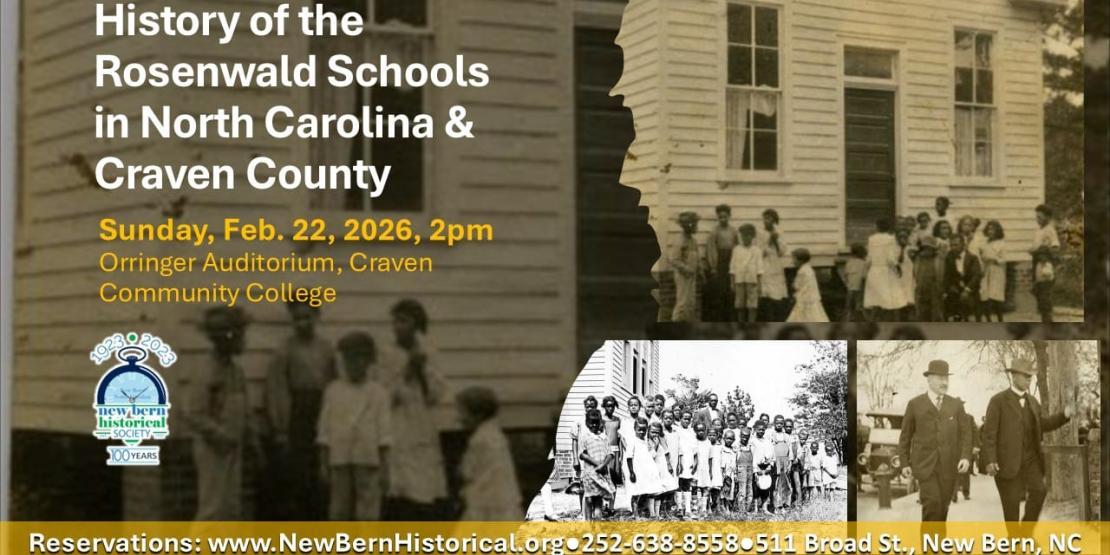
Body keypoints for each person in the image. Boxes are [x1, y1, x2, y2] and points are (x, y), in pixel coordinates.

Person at [261, 301, 337, 519]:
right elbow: (277, 390)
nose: (302, 323)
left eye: (307, 317)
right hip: (297, 415)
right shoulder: (285, 350)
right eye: (297, 318)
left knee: (321, 472)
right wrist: (281, 427)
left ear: (317, 316)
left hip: (322, 411)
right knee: (298, 473)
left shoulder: (326, 349)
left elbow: (334, 385)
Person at [981, 359, 1072, 528]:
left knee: (1040, 491)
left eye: (1031, 376)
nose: (1029, 379)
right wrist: (990, 460)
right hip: (1006, 464)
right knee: (1011, 511)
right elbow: (989, 434)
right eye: (1025, 375)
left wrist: (1064, 416)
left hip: (1031, 462)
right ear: (1014, 376)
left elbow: (1042, 425)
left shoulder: (1033, 402)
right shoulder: (998, 401)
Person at [186, 306, 255, 521]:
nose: (243, 340)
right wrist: (221, 437)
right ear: (226, 338)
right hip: (213, 450)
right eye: (239, 335)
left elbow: (244, 409)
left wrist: (251, 437)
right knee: (213, 508)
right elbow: (194, 414)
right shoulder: (206, 371)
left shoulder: (235, 371)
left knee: (230, 508)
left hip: (234, 447)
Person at [383, 299, 450, 519]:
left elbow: (437, 394)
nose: (397, 327)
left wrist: (421, 371)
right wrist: (407, 371)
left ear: (417, 324)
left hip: (422, 420)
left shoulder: (429, 352)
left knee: (424, 481)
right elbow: (385, 394)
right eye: (395, 321)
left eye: (403, 321)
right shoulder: (387, 353)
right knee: (400, 481)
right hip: (397, 420)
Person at [317, 331, 392, 521]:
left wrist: (385, 467)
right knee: (339, 509)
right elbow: (324, 430)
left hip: (368, 458)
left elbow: (384, 434)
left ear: (369, 361)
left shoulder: (378, 393)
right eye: (348, 359)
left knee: (367, 509)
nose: (353, 365)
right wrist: (324, 462)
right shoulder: (334, 390)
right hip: (340, 458)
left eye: (359, 359)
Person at [897, 360, 972, 523]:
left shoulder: (956, 405)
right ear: (929, 379)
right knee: (932, 505)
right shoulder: (915, 404)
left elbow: (966, 433)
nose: (944, 382)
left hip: (949, 467)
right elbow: (905, 437)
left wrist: (965, 457)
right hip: (925, 467)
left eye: (946, 378)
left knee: (942, 510)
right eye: (940, 378)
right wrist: (904, 463)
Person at [457, 386, 522, 520]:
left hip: (484, 499)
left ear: (478, 415)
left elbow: (468, 470)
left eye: (463, 412)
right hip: (504, 496)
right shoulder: (496, 435)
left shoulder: (479, 440)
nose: (459, 417)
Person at [864, 218, 907, 321]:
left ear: (877, 227)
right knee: (895, 300)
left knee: (877, 301)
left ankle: (872, 323)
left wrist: (867, 270)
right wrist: (897, 266)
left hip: (874, 271)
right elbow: (890, 258)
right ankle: (897, 324)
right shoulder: (890, 239)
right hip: (886, 272)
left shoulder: (871, 239)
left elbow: (869, 258)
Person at [578, 409, 615, 521]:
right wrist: (598, 464)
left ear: (600, 423)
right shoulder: (585, 437)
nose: (594, 425)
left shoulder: (604, 437)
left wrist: (603, 465)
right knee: (589, 498)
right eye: (591, 422)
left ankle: (598, 524)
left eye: (596, 422)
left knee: (598, 499)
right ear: (586, 423)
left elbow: (610, 454)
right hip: (590, 474)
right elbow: (583, 455)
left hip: (602, 473)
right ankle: (589, 523)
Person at [705, 204, 740, 321]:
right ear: (717, 217)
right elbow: (711, 249)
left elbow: (737, 247)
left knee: (731, 290)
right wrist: (713, 266)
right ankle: (719, 317)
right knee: (720, 290)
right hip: (720, 263)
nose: (723, 219)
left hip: (731, 261)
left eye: (725, 217)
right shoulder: (714, 232)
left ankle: (730, 316)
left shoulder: (733, 231)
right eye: (720, 217)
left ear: (729, 216)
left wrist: (736, 263)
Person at [1029, 204, 1060, 323]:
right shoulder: (1038, 230)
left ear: (1047, 217)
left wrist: (1043, 250)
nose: (1038, 219)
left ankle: (1048, 321)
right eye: (1036, 217)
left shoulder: (1050, 230)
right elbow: (1035, 247)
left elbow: (1055, 248)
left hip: (1045, 264)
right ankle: (1045, 318)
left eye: (1040, 217)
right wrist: (1033, 250)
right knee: (1038, 292)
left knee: (1044, 294)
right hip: (1036, 262)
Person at [626, 417, 663, 516]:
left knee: (645, 491)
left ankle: (644, 512)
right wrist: (631, 472)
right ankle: (635, 515)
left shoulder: (646, 442)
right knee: (635, 492)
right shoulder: (632, 441)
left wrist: (655, 446)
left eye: (644, 430)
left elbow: (651, 456)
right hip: (636, 470)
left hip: (645, 471)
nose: (642, 432)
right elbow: (629, 457)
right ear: (635, 429)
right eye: (639, 429)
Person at [758, 209, 790, 321]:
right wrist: (769, 241)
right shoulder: (760, 233)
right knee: (766, 293)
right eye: (765, 218)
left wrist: (776, 241)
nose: (766, 221)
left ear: (774, 220)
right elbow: (759, 252)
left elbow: (782, 251)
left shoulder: (780, 232)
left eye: (769, 218)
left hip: (776, 264)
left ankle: (778, 318)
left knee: (778, 293)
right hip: (765, 264)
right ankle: (768, 317)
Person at [943, 234, 982, 322]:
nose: (953, 247)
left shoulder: (972, 257)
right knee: (950, 298)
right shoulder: (949, 257)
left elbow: (976, 276)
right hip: (956, 288)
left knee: (969, 299)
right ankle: (957, 320)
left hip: (970, 288)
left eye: (955, 245)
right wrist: (947, 289)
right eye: (951, 245)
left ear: (963, 245)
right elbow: (947, 275)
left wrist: (967, 289)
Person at [730, 223, 764, 323]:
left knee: (752, 305)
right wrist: (732, 283)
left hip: (752, 281)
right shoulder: (737, 249)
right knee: (740, 305)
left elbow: (759, 269)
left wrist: (759, 284)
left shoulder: (757, 250)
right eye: (743, 235)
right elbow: (732, 268)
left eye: (748, 235)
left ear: (752, 236)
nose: (745, 238)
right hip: (739, 281)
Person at [671, 211, 701, 322]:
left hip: (692, 276)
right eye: (694, 224)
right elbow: (674, 260)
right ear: (688, 226)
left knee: (690, 302)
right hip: (683, 276)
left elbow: (696, 257)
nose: (696, 227)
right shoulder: (680, 240)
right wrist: (687, 270)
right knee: (682, 302)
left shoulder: (693, 241)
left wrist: (700, 270)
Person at [787, 248, 828, 322]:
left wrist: (793, 284)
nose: (792, 261)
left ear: (800, 260)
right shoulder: (809, 269)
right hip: (812, 298)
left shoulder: (802, 271)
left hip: (804, 299)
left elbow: (797, 285)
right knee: (815, 315)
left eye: (794, 259)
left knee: (800, 317)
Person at [979, 220, 1007, 322]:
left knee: (996, 297)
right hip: (986, 270)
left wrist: (994, 259)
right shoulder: (984, 244)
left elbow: (1003, 259)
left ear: (997, 231)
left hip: (996, 271)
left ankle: (1000, 319)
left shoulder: (1001, 243)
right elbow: (982, 257)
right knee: (985, 296)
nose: (991, 231)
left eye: (993, 229)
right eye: (989, 229)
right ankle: (988, 320)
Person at [649, 421, 677, 517]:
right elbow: (651, 456)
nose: (655, 434)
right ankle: (655, 513)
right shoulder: (648, 442)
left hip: (662, 468)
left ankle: (664, 509)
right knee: (656, 491)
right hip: (654, 468)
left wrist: (669, 465)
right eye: (653, 432)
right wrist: (655, 446)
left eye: (657, 432)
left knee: (668, 488)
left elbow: (666, 452)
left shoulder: (662, 439)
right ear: (648, 431)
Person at [914, 236, 944, 322]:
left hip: (934, 287)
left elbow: (940, 275)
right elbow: (916, 274)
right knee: (921, 312)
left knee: (935, 312)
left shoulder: (938, 258)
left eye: (929, 248)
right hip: (921, 288)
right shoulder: (918, 258)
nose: (927, 250)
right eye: (925, 248)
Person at [601, 396, 623, 509]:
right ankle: (603, 505)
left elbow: (619, 438)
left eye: (612, 406)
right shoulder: (601, 419)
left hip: (615, 452)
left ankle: (611, 506)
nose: (611, 408)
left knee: (614, 478)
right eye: (608, 406)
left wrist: (620, 456)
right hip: (604, 452)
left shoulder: (617, 420)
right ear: (604, 406)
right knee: (604, 477)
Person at [750, 420, 776, 514]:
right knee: (756, 488)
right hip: (756, 467)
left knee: (766, 487)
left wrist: (770, 464)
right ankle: (755, 509)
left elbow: (772, 456)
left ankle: (765, 508)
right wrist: (755, 469)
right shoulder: (752, 441)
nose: (761, 431)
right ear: (755, 429)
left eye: (763, 429)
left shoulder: (768, 441)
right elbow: (751, 455)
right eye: (759, 429)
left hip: (766, 468)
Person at [676, 410, 698, 516]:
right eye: (684, 418)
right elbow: (678, 447)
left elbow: (695, 449)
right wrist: (679, 462)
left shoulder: (692, 432)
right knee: (679, 484)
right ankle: (680, 507)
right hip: (679, 459)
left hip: (689, 459)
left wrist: (695, 462)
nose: (686, 420)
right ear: (680, 418)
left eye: (688, 419)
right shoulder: (677, 431)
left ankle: (688, 509)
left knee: (687, 484)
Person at [768, 415, 792, 510]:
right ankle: (776, 505)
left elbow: (789, 449)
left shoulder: (786, 436)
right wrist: (772, 461)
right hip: (776, 461)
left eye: (781, 423)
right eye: (777, 423)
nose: (779, 424)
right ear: (774, 423)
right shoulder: (772, 435)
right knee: (776, 483)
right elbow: (770, 448)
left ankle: (786, 503)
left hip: (785, 461)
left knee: (785, 483)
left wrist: (790, 462)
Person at [841, 243, 867, 322]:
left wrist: (848, 285)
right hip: (860, 289)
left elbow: (845, 276)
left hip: (850, 289)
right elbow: (864, 278)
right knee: (859, 307)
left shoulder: (849, 263)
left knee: (848, 308)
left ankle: (847, 321)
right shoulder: (863, 263)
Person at [692, 422, 714, 514]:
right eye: (698, 430)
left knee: (705, 488)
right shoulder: (694, 441)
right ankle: (695, 507)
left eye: (702, 430)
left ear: (705, 431)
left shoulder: (708, 443)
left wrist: (710, 471)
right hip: (696, 469)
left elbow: (710, 458)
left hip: (705, 468)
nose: (700, 432)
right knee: (695, 488)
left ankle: (704, 508)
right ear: (695, 431)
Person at [896, 228, 917, 320]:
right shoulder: (896, 249)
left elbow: (913, 260)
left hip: (910, 276)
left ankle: (910, 319)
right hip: (900, 277)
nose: (903, 238)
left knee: (910, 299)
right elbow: (899, 260)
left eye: (905, 236)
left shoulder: (912, 248)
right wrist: (902, 248)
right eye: (900, 236)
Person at [734, 428, 755, 513]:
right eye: (743, 436)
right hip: (741, 469)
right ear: (740, 436)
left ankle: (748, 508)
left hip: (750, 468)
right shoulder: (737, 446)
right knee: (742, 490)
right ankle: (741, 510)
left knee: (750, 489)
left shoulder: (751, 446)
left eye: (747, 437)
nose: (745, 438)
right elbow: (734, 461)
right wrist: (735, 473)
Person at [720, 429, 738, 513]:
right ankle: (722, 505)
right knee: (724, 489)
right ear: (724, 439)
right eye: (727, 438)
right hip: (724, 472)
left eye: (731, 439)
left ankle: (728, 506)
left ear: (734, 440)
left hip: (731, 472)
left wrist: (735, 473)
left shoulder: (734, 451)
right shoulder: (722, 449)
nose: (729, 440)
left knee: (730, 490)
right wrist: (723, 472)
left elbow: (734, 462)